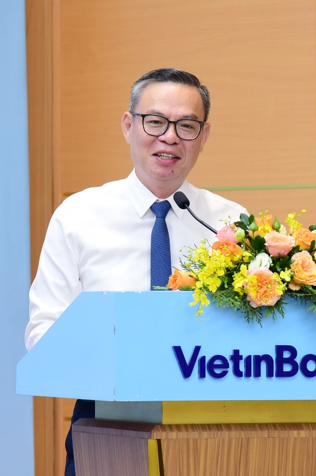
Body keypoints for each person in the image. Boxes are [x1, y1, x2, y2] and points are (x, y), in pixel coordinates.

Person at [25, 68, 247, 476]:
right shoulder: (78, 216)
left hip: (212, 419)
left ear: (204, 136)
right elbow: (44, 331)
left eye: (187, 126)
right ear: (129, 125)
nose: (170, 137)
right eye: (155, 121)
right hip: (106, 417)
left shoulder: (229, 222)